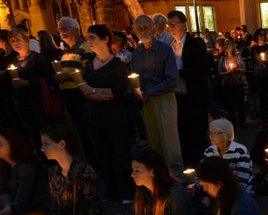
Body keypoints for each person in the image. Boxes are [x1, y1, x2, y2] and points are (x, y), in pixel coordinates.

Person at [5, 124, 109, 215]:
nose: (42, 149)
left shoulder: (85, 171)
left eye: (46, 144)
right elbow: (56, 209)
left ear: (61, 144)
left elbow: (93, 213)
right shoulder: (54, 173)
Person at [79, 24, 133, 204]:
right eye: (88, 38)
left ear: (105, 39)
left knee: (120, 155)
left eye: (92, 37)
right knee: (102, 155)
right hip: (94, 117)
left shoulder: (118, 64)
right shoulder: (88, 64)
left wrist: (91, 91)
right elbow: (83, 91)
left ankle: (126, 190)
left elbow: (115, 92)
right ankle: (110, 189)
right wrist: (97, 92)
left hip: (115, 117)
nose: (89, 42)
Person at [129, 15, 183, 179]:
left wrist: (150, 91)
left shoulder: (164, 49)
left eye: (146, 27)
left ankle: (177, 176)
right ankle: (160, 175)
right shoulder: (136, 54)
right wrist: (137, 90)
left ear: (153, 28)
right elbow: (135, 77)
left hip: (164, 98)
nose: (143, 31)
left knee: (170, 140)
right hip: (146, 101)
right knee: (154, 139)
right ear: (134, 30)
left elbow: (172, 79)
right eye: (139, 28)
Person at [167, 10, 210, 167]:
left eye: (174, 24)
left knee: (196, 133)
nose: (171, 28)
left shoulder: (195, 43)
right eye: (169, 25)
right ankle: (187, 166)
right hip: (177, 96)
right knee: (182, 132)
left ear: (184, 24)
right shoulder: (170, 45)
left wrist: (179, 73)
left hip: (194, 96)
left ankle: (199, 166)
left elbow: (202, 69)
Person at [6, 28, 54, 151]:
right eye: (12, 41)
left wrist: (27, 83)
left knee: (43, 134)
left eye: (18, 40)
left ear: (26, 40)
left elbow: (50, 79)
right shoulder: (13, 60)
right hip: (21, 104)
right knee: (32, 134)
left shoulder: (37, 58)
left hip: (37, 103)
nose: (15, 43)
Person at [55, 17, 95, 163]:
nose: (62, 31)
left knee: (87, 131)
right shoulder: (65, 52)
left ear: (76, 30)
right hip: (69, 97)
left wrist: (68, 77)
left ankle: (93, 160)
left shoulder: (85, 48)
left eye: (65, 28)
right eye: (60, 29)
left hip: (81, 97)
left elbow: (88, 71)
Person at [0, 128, 49, 215]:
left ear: (12, 143)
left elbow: (19, 203)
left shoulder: (26, 169)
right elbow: (4, 192)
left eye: (0, 145)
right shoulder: (6, 169)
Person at [203, 119, 253, 194]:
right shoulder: (209, 151)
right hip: (217, 190)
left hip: (239, 190)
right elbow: (203, 172)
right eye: (210, 133)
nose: (211, 136)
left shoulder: (240, 151)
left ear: (226, 134)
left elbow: (242, 180)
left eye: (215, 133)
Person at [218, 40, 247, 128]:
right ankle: (233, 124)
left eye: (229, 44)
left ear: (233, 46)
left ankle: (242, 122)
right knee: (230, 105)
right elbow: (219, 72)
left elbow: (244, 69)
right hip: (228, 85)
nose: (227, 45)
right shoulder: (223, 59)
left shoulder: (238, 57)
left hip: (238, 83)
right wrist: (227, 73)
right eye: (225, 44)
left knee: (240, 104)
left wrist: (237, 70)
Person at [250, 31, 268, 125]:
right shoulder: (253, 49)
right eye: (259, 35)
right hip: (259, 75)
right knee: (261, 97)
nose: (261, 37)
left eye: (263, 35)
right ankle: (264, 119)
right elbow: (252, 62)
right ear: (256, 36)